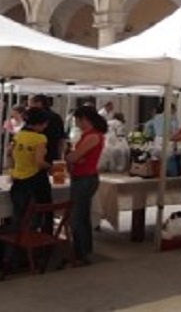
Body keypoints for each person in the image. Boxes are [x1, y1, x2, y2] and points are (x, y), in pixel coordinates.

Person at [65, 106, 107, 265]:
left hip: (85, 178)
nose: (76, 123)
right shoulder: (89, 135)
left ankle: (80, 253)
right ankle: (84, 251)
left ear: (84, 119)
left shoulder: (92, 136)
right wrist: (75, 158)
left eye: (77, 120)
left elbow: (73, 157)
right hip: (84, 177)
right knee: (82, 216)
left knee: (77, 218)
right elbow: (76, 158)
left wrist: (72, 157)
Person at [9, 107, 53, 232]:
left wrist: (13, 170)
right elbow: (39, 162)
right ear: (42, 123)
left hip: (18, 180)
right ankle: (36, 246)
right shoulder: (40, 138)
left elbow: (9, 153)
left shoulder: (18, 135)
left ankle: (17, 245)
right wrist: (50, 167)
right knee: (35, 217)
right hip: (35, 181)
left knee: (18, 216)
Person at [28, 94, 66, 162]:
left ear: (39, 103)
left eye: (31, 103)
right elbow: (61, 139)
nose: (30, 106)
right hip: (53, 152)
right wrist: (60, 156)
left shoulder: (33, 117)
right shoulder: (56, 117)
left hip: (32, 152)